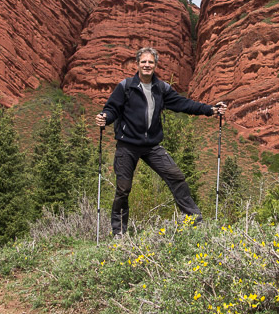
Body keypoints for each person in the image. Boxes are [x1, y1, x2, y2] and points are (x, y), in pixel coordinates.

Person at [95, 47, 227, 236]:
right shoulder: (126, 86)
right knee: (123, 189)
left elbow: (183, 104)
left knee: (176, 177)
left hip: (151, 146)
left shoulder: (161, 88)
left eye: (150, 62)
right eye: (143, 62)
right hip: (127, 145)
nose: (147, 65)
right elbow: (112, 109)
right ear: (137, 64)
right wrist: (105, 117)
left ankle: (197, 224)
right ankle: (119, 233)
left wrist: (210, 110)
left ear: (155, 65)